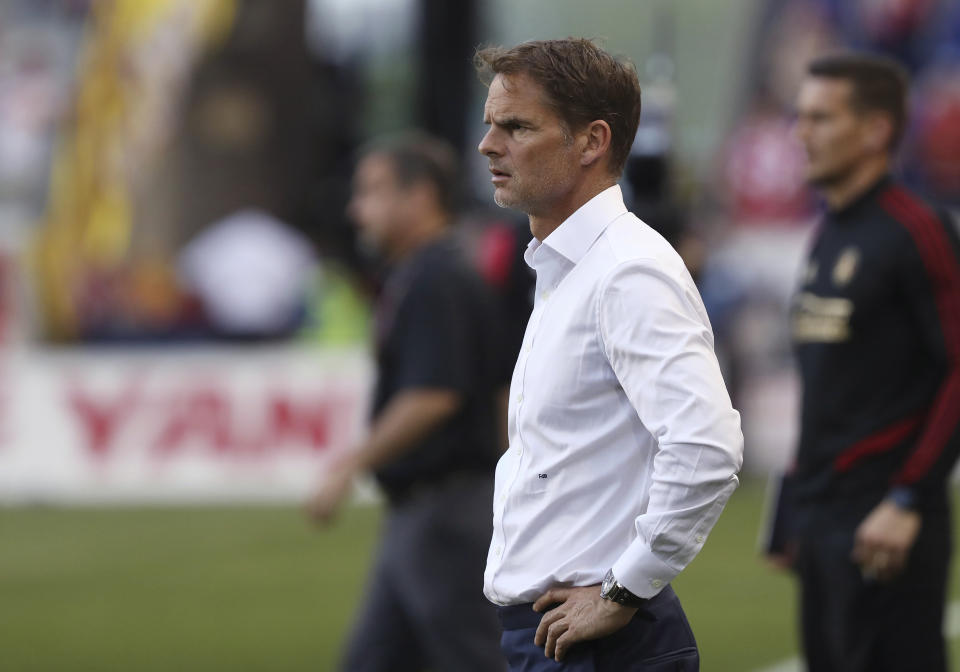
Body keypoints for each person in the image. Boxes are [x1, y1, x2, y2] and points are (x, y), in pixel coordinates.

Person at [474, 38, 744, 670]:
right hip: (558, 632)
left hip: (600, 640)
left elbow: (706, 446)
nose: (489, 144)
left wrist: (626, 586)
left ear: (592, 141)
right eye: (490, 125)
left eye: (516, 126)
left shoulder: (627, 271)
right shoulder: (570, 267)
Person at [778, 53, 960, 671]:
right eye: (800, 116)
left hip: (886, 523)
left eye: (821, 118)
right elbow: (826, 386)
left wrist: (908, 499)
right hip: (823, 519)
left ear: (877, 130)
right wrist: (791, 505)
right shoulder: (828, 233)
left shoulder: (918, 228)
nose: (801, 133)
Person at [307, 133, 506, 672]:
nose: (356, 209)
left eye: (371, 191)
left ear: (419, 197)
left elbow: (433, 396)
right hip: (425, 514)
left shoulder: (435, 279)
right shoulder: (428, 273)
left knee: (473, 659)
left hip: (444, 512)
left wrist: (349, 465)